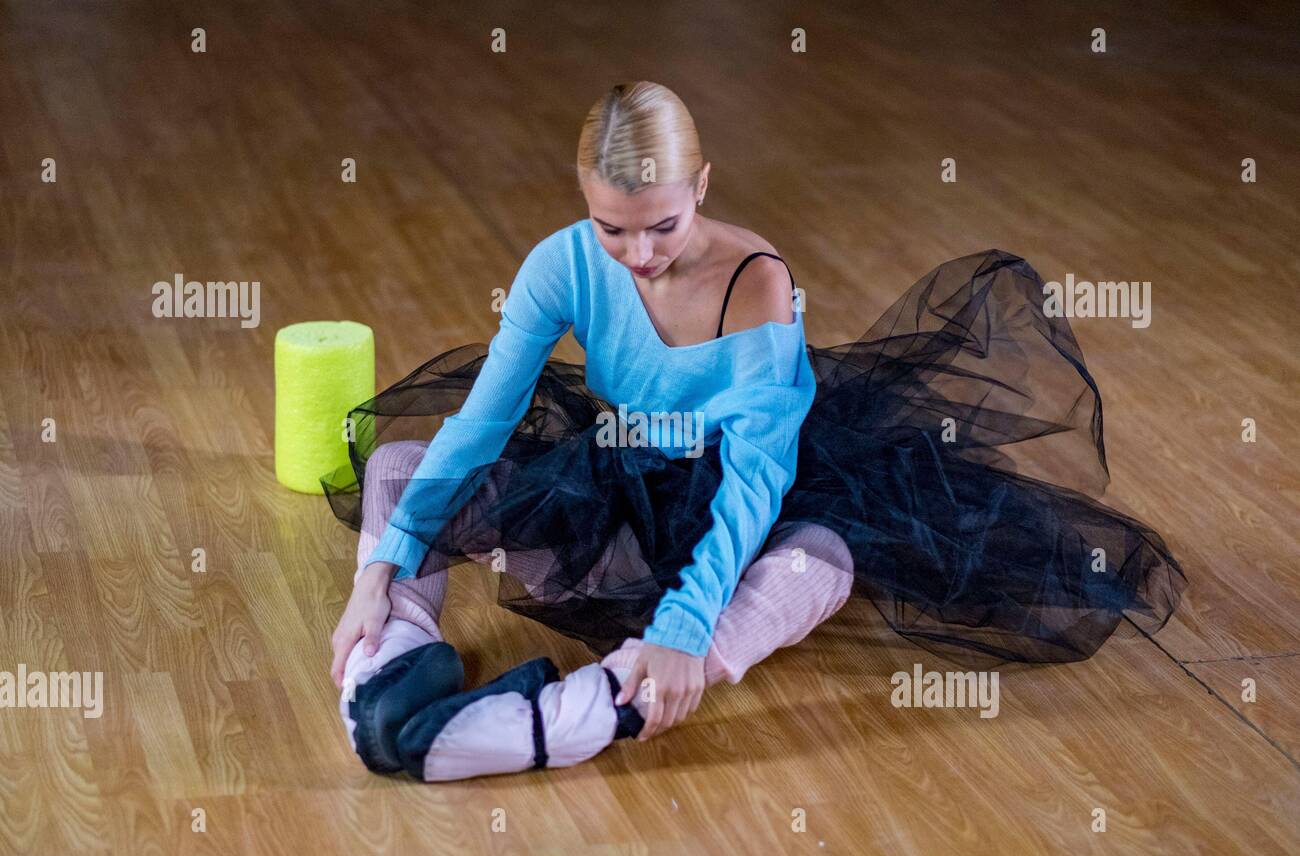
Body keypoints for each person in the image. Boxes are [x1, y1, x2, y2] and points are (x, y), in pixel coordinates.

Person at [321, 81, 1187, 783]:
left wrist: (685, 626)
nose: (639, 255)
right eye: (610, 227)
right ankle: (390, 658)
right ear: (584, 201)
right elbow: (482, 421)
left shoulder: (756, 282)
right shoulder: (563, 262)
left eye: (662, 225)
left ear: (701, 187)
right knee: (402, 463)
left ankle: (602, 702)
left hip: (744, 479)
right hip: (627, 466)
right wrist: (381, 568)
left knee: (823, 559)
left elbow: (755, 479)